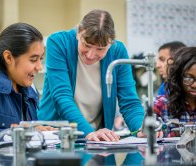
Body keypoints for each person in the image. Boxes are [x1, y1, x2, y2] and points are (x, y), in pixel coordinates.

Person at [38, 9, 145, 141]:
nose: (90, 55)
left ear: (111, 43)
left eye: (100, 49)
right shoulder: (59, 43)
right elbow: (62, 97)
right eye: (86, 45)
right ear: (78, 33)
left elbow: (129, 102)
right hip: (55, 137)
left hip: (98, 140)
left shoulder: (117, 52)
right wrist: (89, 132)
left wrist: (141, 129)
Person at [154, 47, 196, 137]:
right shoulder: (161, 104)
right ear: (177, 77)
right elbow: (144, 131)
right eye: (188, 78)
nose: (194, 85)